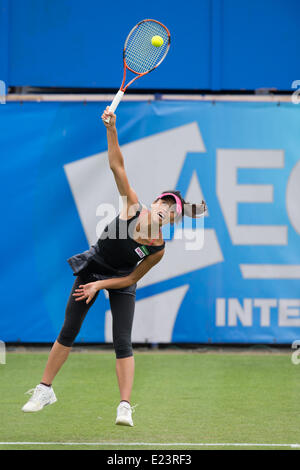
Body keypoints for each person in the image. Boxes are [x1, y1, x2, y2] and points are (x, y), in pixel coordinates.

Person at [22, 107, 207, 426]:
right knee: (69, 329)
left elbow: (132, 278)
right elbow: (116, 165)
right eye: (164, 203)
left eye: (173, 211)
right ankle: (44, 389)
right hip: (94, 265)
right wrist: (111, 128)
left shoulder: (158, 249)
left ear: (174, 220)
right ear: (153, 204)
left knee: (122, 339)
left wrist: (102, 286)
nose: (166, 210)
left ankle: (124, 406)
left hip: (120, 280)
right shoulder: (132, 206)